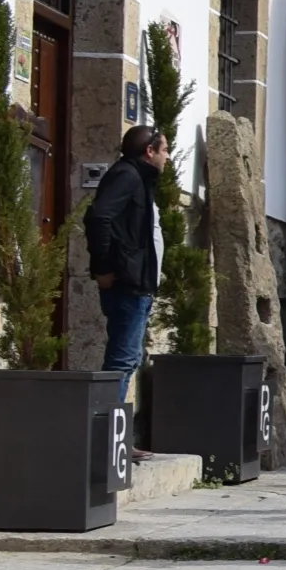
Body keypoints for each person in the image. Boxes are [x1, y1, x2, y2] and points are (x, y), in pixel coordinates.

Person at [84, 126, 166, 386]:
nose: (168, 156)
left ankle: (110, 422)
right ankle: (107, 423)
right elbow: (99, 217)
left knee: (128, 359)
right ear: (149, 151)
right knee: (122, 360)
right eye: (164, 150)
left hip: (138, 284)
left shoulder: (140, 178)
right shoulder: (127, 175)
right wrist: (103, 267)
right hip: (127, 284)